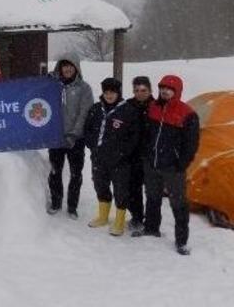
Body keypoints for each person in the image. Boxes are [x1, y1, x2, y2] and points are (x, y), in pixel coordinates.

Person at [132, 75, 200, 256]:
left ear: (177, 91)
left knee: (178, 203)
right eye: (162, 87)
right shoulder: (153, 107)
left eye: (169, 89)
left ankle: (181, 241)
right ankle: (151, 228)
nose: (164, 91)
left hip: (173, 168)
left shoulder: (188, 114)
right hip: (152, 163)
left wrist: (181, 163)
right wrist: (147, 155)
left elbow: (191, 144)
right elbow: (147, 134)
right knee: (152, 197)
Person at [83, 78, 140, 236]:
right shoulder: (95, 109)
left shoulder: (127, 110)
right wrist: (92, 145)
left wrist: (123, 152)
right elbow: (87, 129)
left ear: (118, 93)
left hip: (119, 161)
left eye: (112, 92)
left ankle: (119, 221)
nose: (109, 95)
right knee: (100, 185)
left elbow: (134, 136)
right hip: (98, 158)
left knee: (121, 190)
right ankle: (103, 216)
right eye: (106, 92)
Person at [46, 58, 94, 218]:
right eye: (64, 66)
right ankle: (56, 202)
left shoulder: (84, 88)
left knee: (75, 174)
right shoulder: (52, 86)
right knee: (55, 171)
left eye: (70, 66)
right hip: (55, 137)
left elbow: (84, 113)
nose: (67, 69)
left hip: (76, 139)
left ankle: (72, 206)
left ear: (76, 68)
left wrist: (74, 134)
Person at [128, 76, 154, 232]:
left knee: (152, 191)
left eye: (143, 90)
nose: (140, 93)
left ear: (150, 90)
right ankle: (137, 217)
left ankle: (152, 221)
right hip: (133, 155)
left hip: (152, 156)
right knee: (133, 189)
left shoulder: (157, 106)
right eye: (136, 90)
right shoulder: (128, 106)